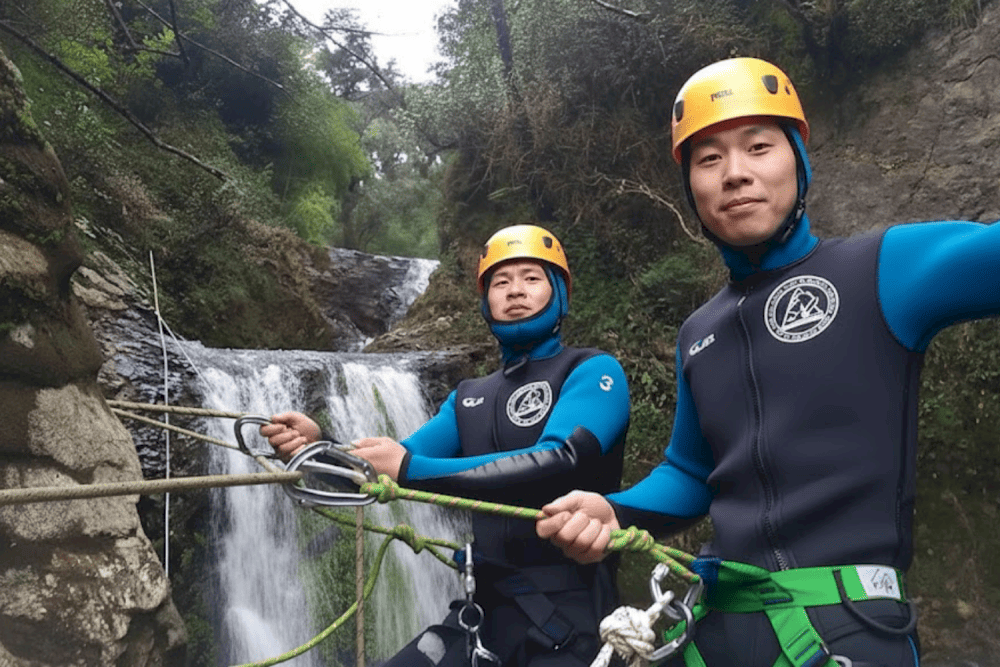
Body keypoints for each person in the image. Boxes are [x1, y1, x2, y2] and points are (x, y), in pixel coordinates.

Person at [536, 57, 1000, 667]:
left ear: (798, 161)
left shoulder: (885, 269)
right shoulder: (699, 332)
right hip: (716, 623)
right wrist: (612, 509)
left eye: (759, 147)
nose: (735, 174)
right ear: (692, 187)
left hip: (849, 627)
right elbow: (691, 471)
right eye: (709, 159)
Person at [262, 224, 631, 667]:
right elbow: (385, 467)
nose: (515, 290)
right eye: (501, 281)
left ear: (559, 293)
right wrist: (318, 447)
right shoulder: (468, 397)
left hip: (574, 609)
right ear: (485, 301)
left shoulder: (592, 370)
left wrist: (409, 468)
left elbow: (563, 460)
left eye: (532, 278)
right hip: (485, 607)